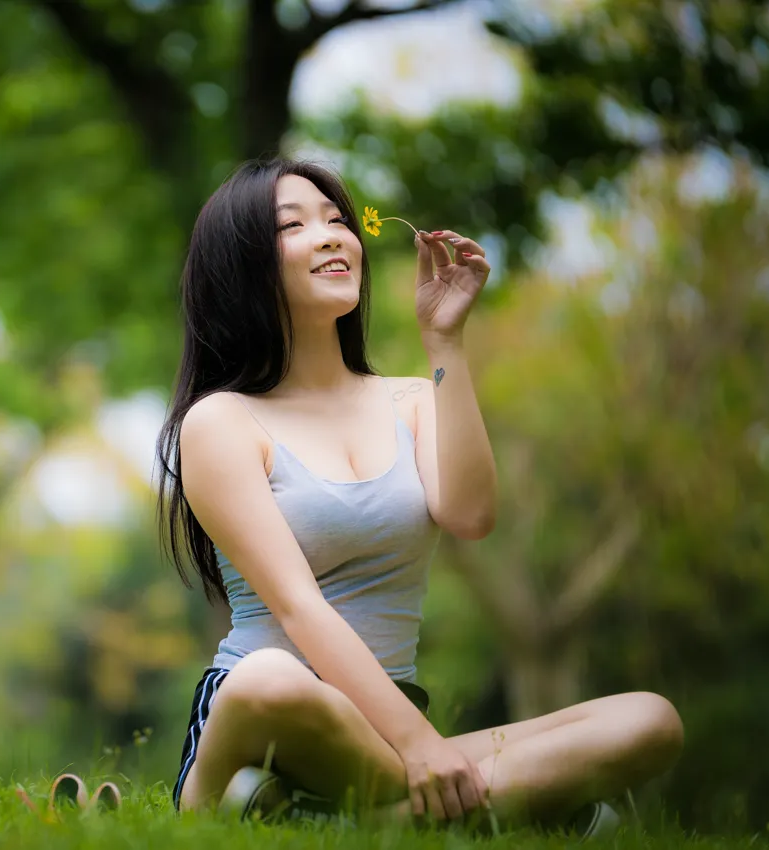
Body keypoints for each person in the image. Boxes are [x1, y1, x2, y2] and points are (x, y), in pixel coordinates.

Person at [154, 158, 684, 835]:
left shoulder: (410, 397)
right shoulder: (222, 420)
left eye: (338, 220)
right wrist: (421, 744)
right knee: (269, 678)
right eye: (295, 226)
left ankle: (353, 821)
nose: (332, 236)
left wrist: (445, 341)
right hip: (279, 718)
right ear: (242, 266)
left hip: (383, 731)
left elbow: (470, 515)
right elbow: (298, 606)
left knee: (648, 720)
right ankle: (511, 806)